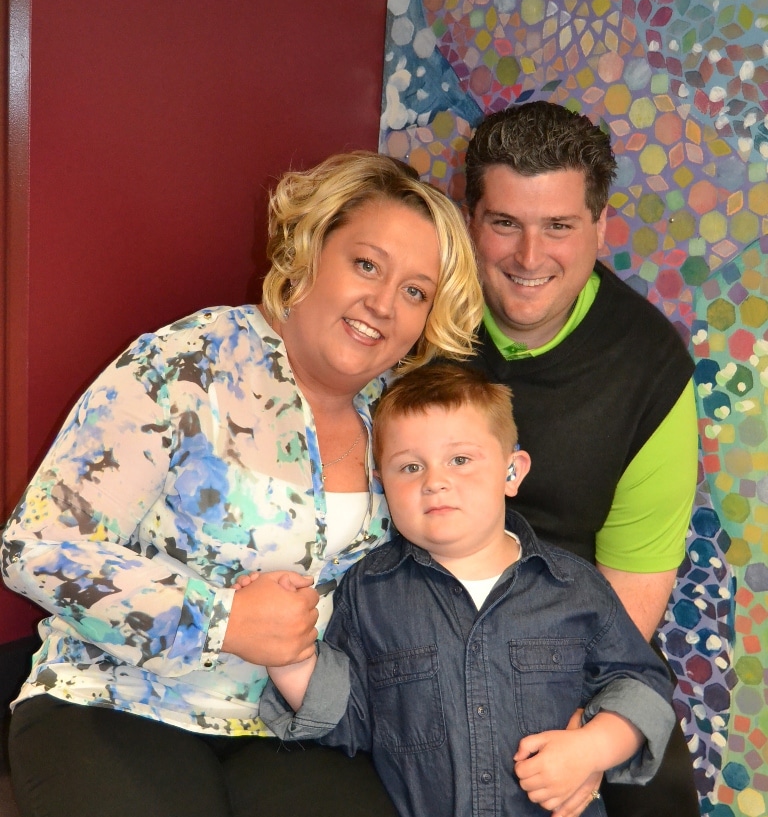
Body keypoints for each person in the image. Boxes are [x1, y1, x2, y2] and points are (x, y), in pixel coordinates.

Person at [1, 151, 484, 817]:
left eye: (414, 291)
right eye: (366, 264)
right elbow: (35, 545)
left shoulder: (404, 419)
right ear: (312, 249)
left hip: (291, 727)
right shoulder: (187, 362)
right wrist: (221, 618)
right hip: (118, 697)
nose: (382, 303)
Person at [256, 363, 676, 817]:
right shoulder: (370, 591)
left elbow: (641, 685)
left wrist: (592, 749)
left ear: (511, 472)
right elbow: (348, 721)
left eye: (460, 459)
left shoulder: (571, 588)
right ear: (382, 485)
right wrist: (289, 655)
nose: (434, 481)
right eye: (410, 466)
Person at [462, 101, 699, 815]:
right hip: (421, 614)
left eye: (558, 226)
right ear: (469, 217)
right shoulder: (419, 312)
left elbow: (630, 595)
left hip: (575, 637)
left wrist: (581, 737)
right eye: (505, 222)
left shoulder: (650, 367)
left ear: (601, 227)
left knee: (651, 787)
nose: (529, 258)